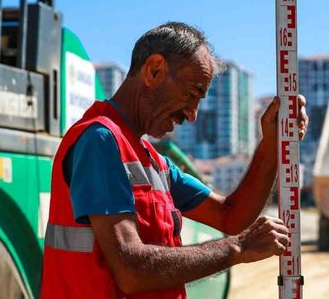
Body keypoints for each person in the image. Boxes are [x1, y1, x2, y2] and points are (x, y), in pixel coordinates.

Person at [41, 22, 309, 299]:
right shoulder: (100, 141)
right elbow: (132, 270)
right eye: (192, 94)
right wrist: (238, 248)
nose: (193, 114)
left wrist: (270, 145)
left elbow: (231, 215)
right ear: (154, 70)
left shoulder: (153, 162)